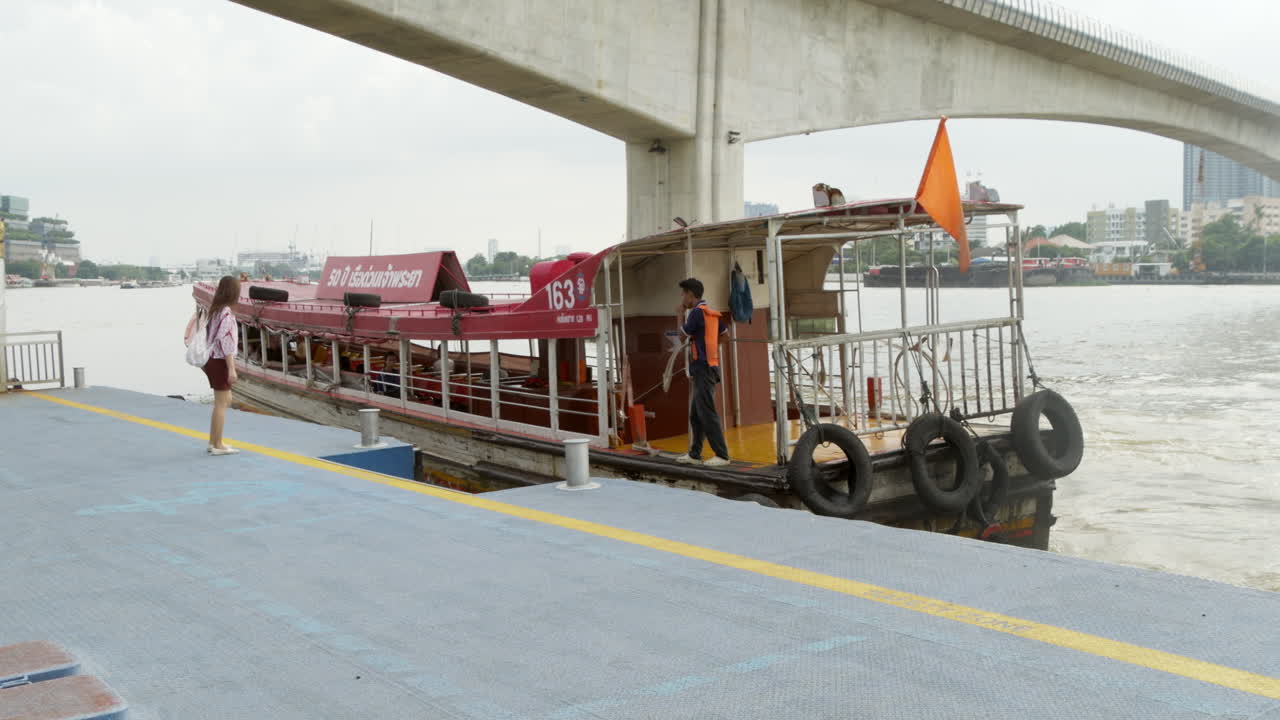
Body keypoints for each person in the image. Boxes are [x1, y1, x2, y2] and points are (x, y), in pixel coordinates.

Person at [675, 277, 730, 467]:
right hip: (709, 366)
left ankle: (722, 455)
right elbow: (725, 336)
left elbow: (682, 334)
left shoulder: (696, 313)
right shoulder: (710, 312)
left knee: (707, 413)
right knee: (696, 415)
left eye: (683, 294)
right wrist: (711, 351)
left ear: (690, 294)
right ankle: (694, 453)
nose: (682, 297)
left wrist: (679, 314)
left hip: (703, 369)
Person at [203, 275, 241, 455]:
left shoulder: (216, 311)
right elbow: (226, 343)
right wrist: (231, 368)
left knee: (224, 401)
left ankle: (215, 441)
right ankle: (217, 445)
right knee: (221, 403)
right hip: (220, 361)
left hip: (212, 359)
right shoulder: (226, 313)